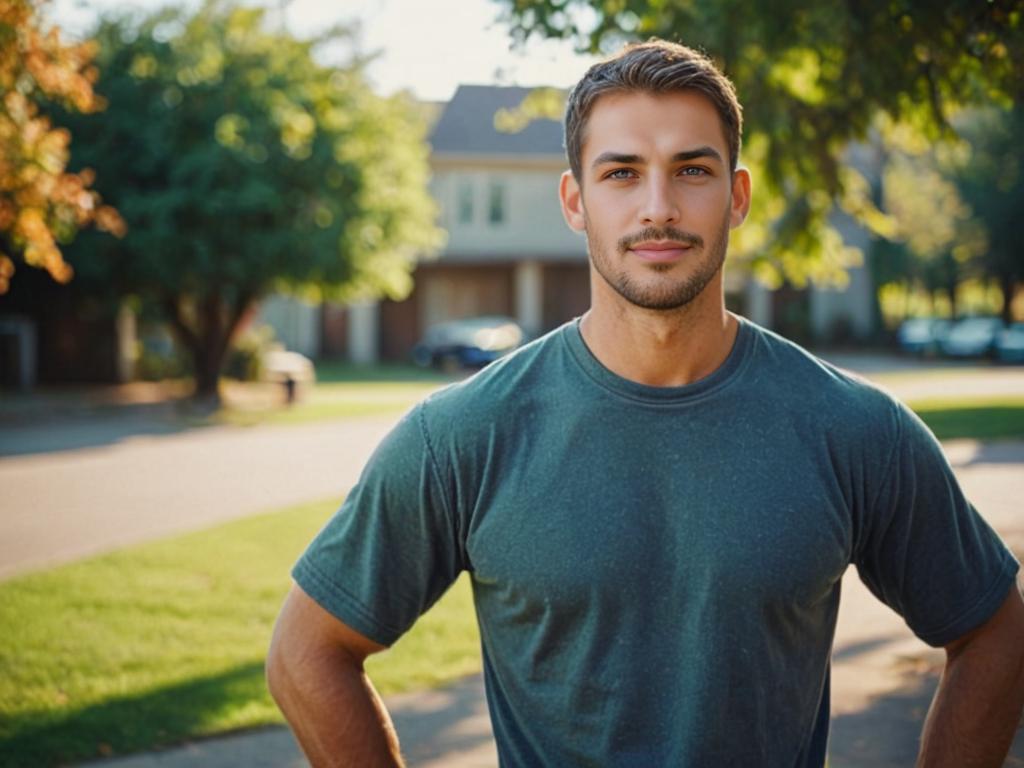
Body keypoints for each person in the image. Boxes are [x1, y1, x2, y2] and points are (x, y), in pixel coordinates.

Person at [266, 39, 1024, 767]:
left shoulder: (855, 429)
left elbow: (996, 630)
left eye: (691, 170)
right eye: (622, 173)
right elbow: (307, 653)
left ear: (737, 195)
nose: (657, 207)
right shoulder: (463, 435)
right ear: (575, 200)